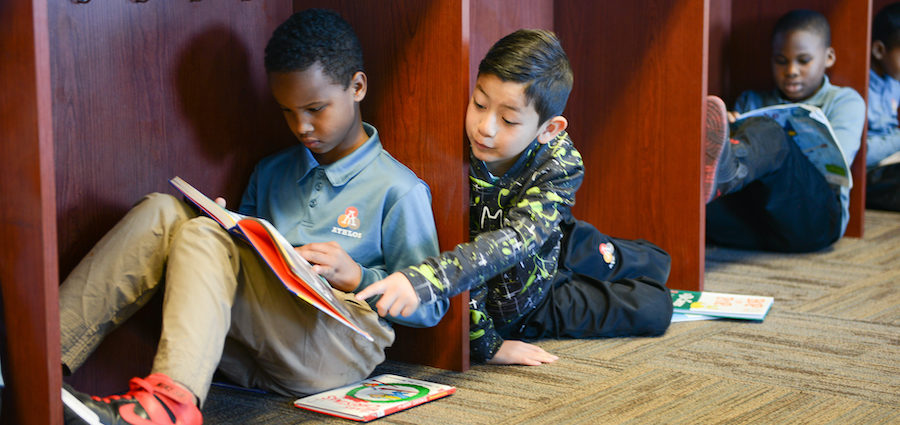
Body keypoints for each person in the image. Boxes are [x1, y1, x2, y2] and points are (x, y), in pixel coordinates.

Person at [61, 9, 447, 425]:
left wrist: (358, 277)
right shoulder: (272, 171)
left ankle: (169, 409)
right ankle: (32, 367)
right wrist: (227, 228)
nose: (301, 126)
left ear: (357, 87)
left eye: (316, 108)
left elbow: (432, 306)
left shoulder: (398, 189)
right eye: (287, 111)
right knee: (162, 211)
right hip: (255, 353)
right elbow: (246, 259)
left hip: (337, 349)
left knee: (203, 237)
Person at [356, 29, 673, 366]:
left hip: (549, 233)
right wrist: (490, 345)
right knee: (656, 306)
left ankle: (619, 257)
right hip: (534, 296)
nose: (485, 128)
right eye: (479, 104)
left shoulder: (561, 162)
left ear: (548, 130)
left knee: (655, 261)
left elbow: (521, 237)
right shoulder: (452, 152)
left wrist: (425, 280)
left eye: (507, 119)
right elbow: (470, 260)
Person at [703, 9, 866, 252]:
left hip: (813, 220)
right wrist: (729, 127)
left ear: (829, 57)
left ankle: (729, 168)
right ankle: (725, 167)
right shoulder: (752, 100)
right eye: (781, 61)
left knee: (771, 132)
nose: (791, 70)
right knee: (696, 208)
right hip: (756, 223)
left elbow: (834, 167)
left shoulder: (844, 101)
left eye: (803, 60)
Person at [866, 2, 900, 211]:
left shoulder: (893, 81)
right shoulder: (860, 90)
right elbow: (863, 154)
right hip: (871, 175)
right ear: (879, 50)